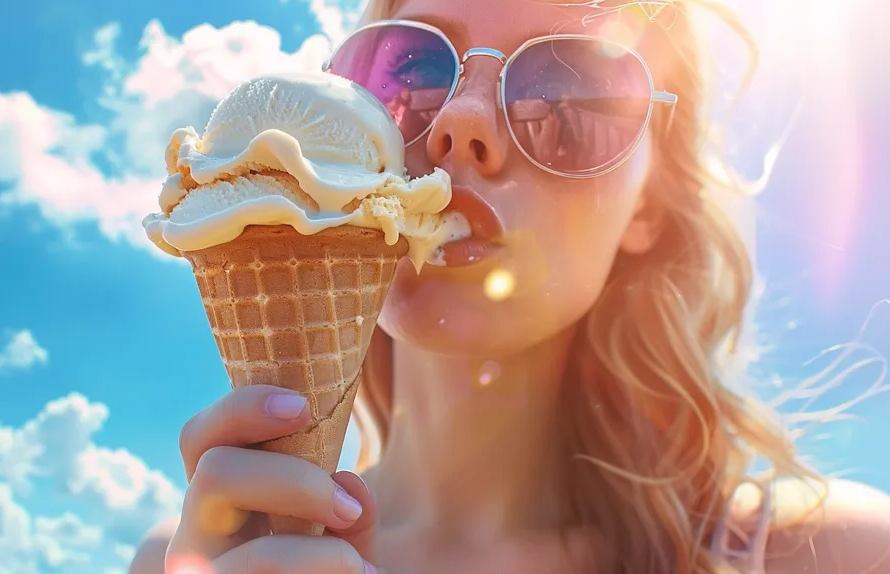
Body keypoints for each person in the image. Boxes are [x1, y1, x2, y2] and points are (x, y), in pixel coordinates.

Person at [131, 0, 890, 572]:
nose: (462, 124)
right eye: (413, 75)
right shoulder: (195, 557)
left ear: (648, 206)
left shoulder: (835, 555)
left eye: (567, 94)